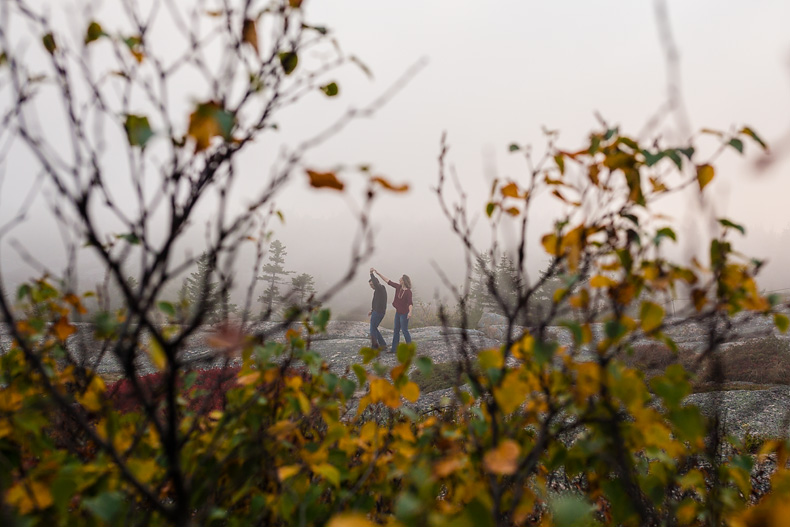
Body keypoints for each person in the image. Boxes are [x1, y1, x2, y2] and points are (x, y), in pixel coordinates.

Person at [372, 268, 413, 353]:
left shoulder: (408, 292)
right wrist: (378, 273)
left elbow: (410, 303)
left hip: (404, 314)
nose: (399, 280)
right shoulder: (398, 287)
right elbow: (388, 281)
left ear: (404, 281)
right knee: (396, 330)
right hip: (398, 313)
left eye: (400, 279)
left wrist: (410, 312)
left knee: (405, 331)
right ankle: (394, 349)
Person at [368, 268, 388, 349]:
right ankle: (383, 344)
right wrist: (372, 311)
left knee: (372, 328)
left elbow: (376, 283)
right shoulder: (377, 291)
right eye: (370, 285)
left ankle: (374, 346)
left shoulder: (381, 288)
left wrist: (371, 274)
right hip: (377, 311)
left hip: (379, 312)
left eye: (372, 285)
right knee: (374, 328)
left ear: (376, 283)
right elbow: (376, 302)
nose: (371, 286)